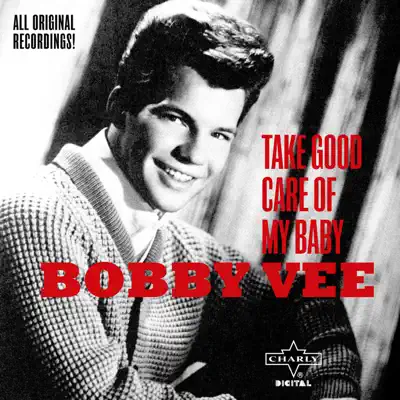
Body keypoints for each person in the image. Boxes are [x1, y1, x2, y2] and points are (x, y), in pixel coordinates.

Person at [0, 1, 361, 399]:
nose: (195, 155)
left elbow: (305, 298)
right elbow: (99, 394)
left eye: (219, 135)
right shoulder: (37, 215)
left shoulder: (178, 248)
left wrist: (334, 391)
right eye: (176, 118)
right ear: (120, 107)